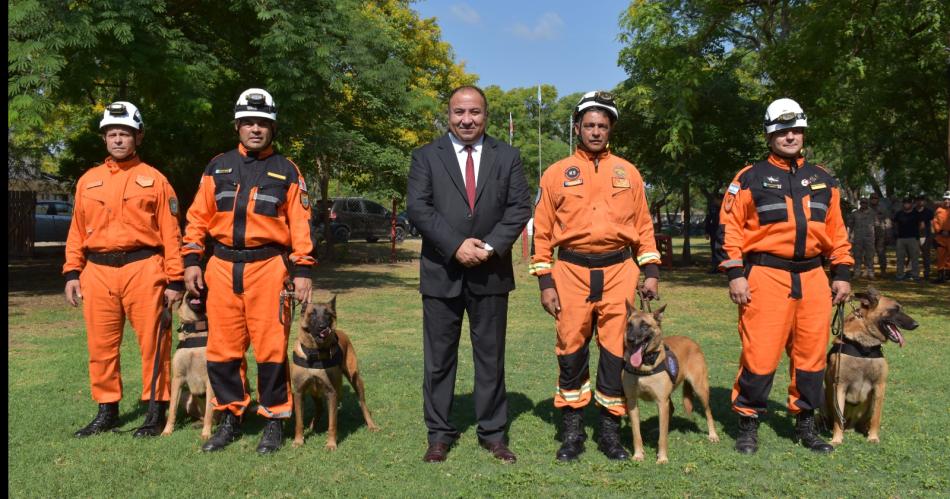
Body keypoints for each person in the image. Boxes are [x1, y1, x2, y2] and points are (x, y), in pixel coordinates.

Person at [531, 91, 661, 462]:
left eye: (602, 125)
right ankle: (572, 431)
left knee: (615, 352)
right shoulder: (556, 173)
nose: (595, 131)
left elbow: (644, 226)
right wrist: (545, 280)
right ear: (577, 127)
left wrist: (649, 271)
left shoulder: (629, 172)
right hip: (570, 270)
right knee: (571, 350)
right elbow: (541, 232)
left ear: (611, 129)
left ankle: (609, 431)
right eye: (589, 125)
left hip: (620, 269)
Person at [716, 98, 852, 454]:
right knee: (759, 354)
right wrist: (735, 274)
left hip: (813, 277)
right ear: (769, 134)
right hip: (765, 275)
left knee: (811, 356)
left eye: (796, 130)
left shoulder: (824, 178)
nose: (790, 137)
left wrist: (842, 273)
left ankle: (805, 425)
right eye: (782, 131)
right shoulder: (749, 177)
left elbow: (837, 232)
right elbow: (728, 230)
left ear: (803, 133)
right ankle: (748, 423)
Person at [182, 88, 314, 454]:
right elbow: (197, 217)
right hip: (221, 267)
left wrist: (302, 268)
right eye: (248, 122)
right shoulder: (217, 166)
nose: (255, 129)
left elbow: (301, 225)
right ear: (237, 125)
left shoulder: (287, 170)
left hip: (269, 267)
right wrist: (192, 259)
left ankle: (274, 419)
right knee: (222, 349)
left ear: (273, 128)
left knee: (271, 348)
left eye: (263, 123)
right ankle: (231, 416)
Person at [406, 86, 531, 464]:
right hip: (441, 271)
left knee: (490, 357)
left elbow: (519, 207)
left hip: (490, 274)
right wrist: (457, 245)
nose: (467, 119)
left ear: (485, 115)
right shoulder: (426, 156)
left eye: (474, 112)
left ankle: (493, 434)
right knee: (439, 359)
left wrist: (490, 247)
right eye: (459, 112)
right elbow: (419, 208)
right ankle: (439, 435)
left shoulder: (507, 156)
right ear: (449, 115)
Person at [64, 101, 184, 438]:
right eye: (112, 134)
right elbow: (76, 230)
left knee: (154, 343)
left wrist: (175, 278)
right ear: (104, 138)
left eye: (125, 134)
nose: (118, 140)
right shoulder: (88, 181)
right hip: (97, 271)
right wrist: (72, 272)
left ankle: (155, 411)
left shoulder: (156, 180)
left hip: (144, 268)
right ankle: (107, 411)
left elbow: (171, 233)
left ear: (138, 137)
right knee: (100, 345)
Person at [893, 198, 921, 281]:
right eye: (905, 203)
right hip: (901, 239)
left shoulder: (916, 213)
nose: (906, 204)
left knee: (914, 258)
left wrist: (919, 237)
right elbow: (895, 224)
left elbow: (921, 225)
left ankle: (915, 276)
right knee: (900, 258)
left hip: (913, 238)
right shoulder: (899, 214)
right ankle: (899, 275)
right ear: (903, 204)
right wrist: (895, 234)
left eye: (908, 203)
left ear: (911, 204)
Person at [848, 198, 877, 278]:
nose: (863, 204)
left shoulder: (873, 213)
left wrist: (878, 237)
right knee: (857, 256)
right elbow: (850, 226)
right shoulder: (855, 214)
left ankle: (870, 272)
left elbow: (877, 226)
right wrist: (848, 236)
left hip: (869, 238)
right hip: (858, 238)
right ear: (860, 204)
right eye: (862, 203)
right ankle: (857, 272)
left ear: (867, 204)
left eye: (865, 203)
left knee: (870, 256)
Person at [869, 193, 890, 275]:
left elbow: (887, 221)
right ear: (870, 199)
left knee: (881, 252)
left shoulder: (883, 208)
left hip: (881, 234)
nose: (874, 199)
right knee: (869, 253)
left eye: (876, 198)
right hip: (870, 234)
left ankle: (883, 271)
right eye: (872, 198)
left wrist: (888, 234)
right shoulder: (866, 208)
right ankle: (870, 271)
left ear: (878, 199)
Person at [932, 191, 950, 283]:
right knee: (941, 257)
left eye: (948, 199)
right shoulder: (938, 210)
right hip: (941, 238)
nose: (946, 201)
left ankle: (948, 276)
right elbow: (935, 223)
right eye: (945, 199)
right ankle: (941, 277)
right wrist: (941, 231)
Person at [915, 196, 934, 281]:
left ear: (925, 202)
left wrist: (931, 236)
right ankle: (914, 273)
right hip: (914, 236)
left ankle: (927, 273)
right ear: (916, 201)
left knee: (926, 255)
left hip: (926, 236)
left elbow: (932, 223)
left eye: (922, 200)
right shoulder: (913, 211)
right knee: (913, 255)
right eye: (918, 200)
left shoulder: (929, 212)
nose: (920, 202)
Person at [705, 194, 723, 273]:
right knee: (714, 249)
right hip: (714, 231)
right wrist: (706, 232)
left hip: (723, 231)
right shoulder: (712, 208)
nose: (715, 201)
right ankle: (715, 267)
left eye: (717, 200)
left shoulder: (726, 207)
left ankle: (723, 267)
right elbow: (708, 220)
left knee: (723, 249)